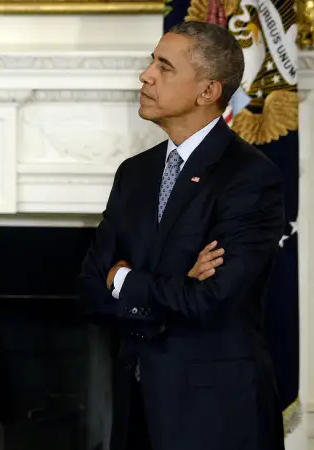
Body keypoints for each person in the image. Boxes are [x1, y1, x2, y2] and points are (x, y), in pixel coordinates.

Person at [78, 21, 286, 450]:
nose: (146, 75)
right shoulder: (134, 173)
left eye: (164, 67)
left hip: (216, 416)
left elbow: (210, 300)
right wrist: (177, 282)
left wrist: (124, 281)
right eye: (152, 61)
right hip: (137, 409)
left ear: (207, 91)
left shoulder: (249, 177)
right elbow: (89, 290)